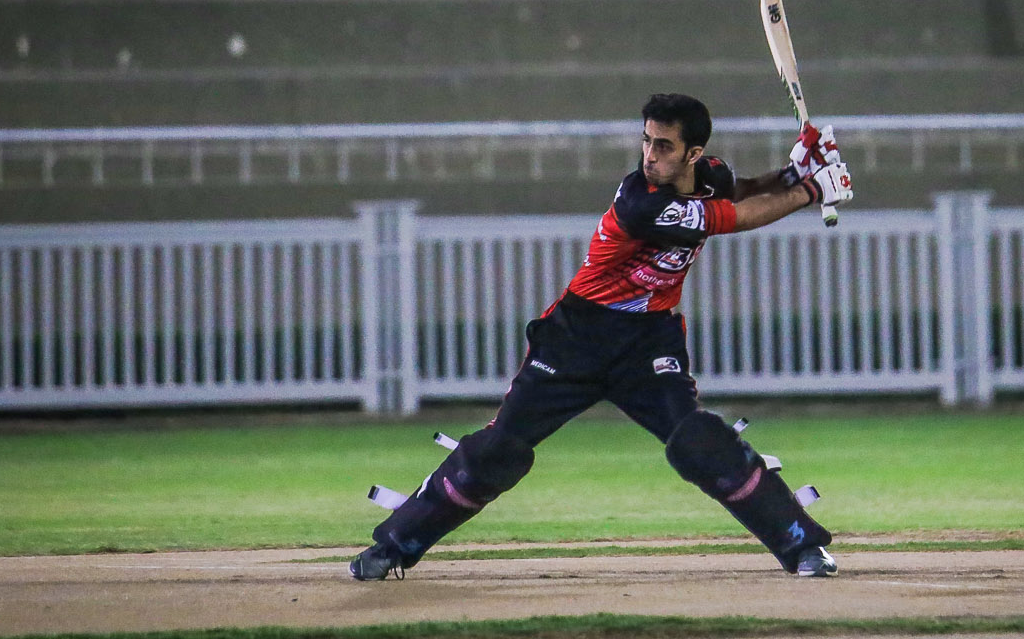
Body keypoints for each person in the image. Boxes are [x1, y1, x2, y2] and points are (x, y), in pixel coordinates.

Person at [350, 93, 854, 580]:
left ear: (694, 154)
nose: (650, 155)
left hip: (649, 342)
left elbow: (737, 192)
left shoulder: (711, 175)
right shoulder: (641, 202)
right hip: (576, 337)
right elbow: (737, 217)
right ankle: (393, 546)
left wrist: (792, 172)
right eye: (647, 141)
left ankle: (802, 545)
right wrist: (811, 191)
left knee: (700, 441)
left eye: (664, 146)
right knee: (497, 451)